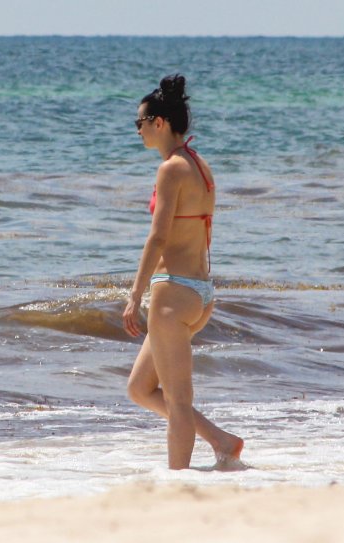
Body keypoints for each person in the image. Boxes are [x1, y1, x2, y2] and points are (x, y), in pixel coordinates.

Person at [123, 74, 244, 470]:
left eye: (139, 123)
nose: (137, 131)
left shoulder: (171, 169)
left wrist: (134, 294)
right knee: (140, 388)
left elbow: (157, 238)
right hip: (199, 293)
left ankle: (179, 486)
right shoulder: (199, 164)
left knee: (177, 402)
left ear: (160, 122)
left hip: (172, 294)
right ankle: (221, 440)